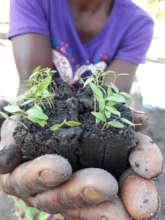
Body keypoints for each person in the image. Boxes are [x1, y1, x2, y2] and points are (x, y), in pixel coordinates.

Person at [0, 0, 163, 219]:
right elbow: (32, 84)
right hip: (39, 168)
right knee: (35, 207)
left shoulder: (137, 23)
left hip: (91, 176)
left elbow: (108, 101)